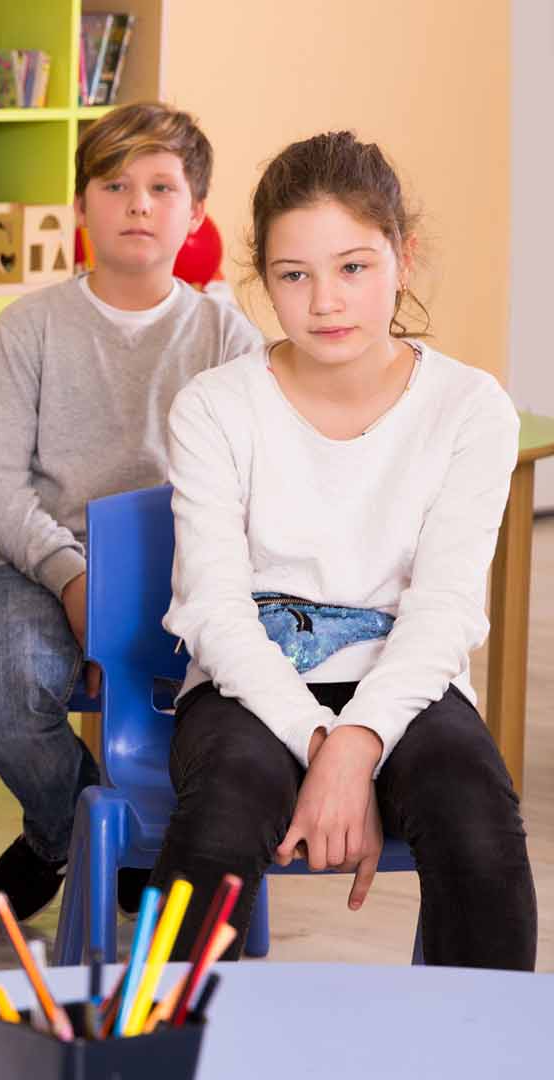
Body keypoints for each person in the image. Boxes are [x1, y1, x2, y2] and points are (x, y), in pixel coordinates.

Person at [154, 130, 535, 968]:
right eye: (295, 275)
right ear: (264, 279)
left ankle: (482, 1055)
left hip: (406, 681)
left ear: (404, 255)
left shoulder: (472, 408)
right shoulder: (215, 406)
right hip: (245, 686)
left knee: (477, 823)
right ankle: (158, 1054)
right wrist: (319, 743)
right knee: (219, 818)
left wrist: (358, 738)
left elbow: (441, 614)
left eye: (354, 267)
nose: (326, 301)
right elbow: (214, 611)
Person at [0, 103, 263, 919]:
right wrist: (73, 577)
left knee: (229, 691)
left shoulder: (225, 335)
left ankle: (124, 839)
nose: (138, 203)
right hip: (39, 564)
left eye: (162, 187)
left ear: (195, 212)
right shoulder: (27, 327)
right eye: (115, 184)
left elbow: (247, 485)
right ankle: (80, 831)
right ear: (82, 205)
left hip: (183, 568)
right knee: (4, 684)